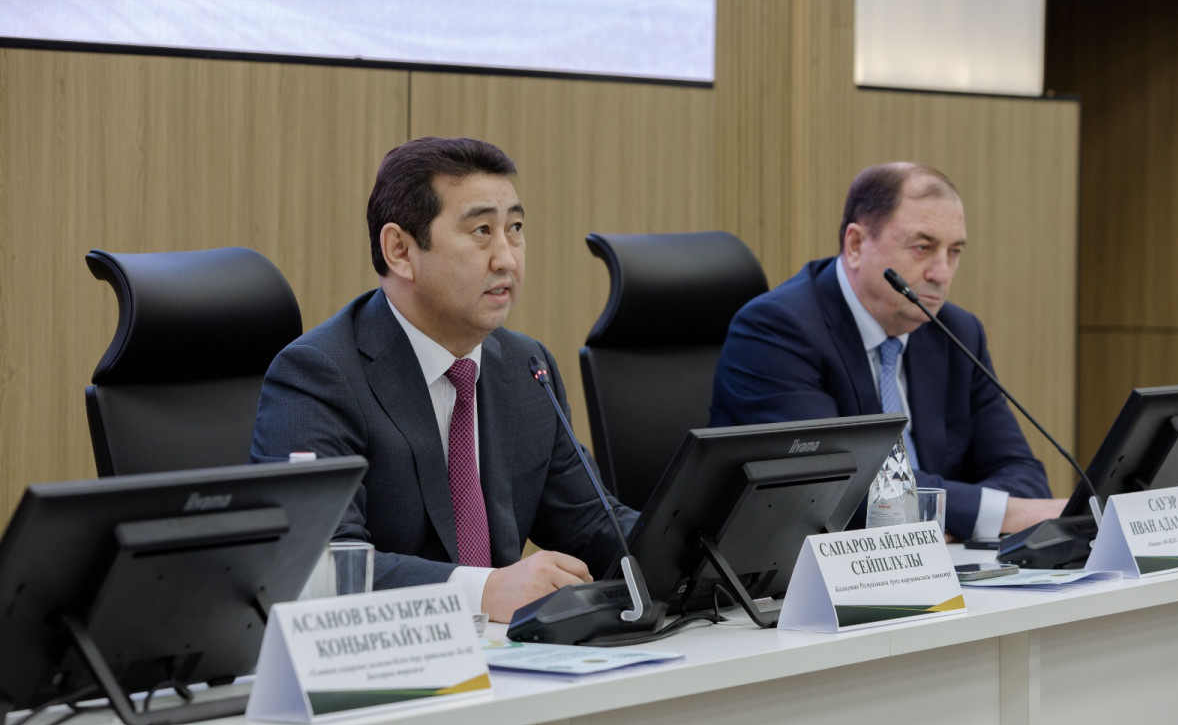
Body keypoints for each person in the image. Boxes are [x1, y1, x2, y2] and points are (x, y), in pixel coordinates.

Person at [252, 136, 635, 622]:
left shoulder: (526, 367)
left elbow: (595, 525)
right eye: (481, 231)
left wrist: (699, 543)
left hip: (508, 655)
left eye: (515, 229)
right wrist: (484, 591)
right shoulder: (319, 375)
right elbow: (322, 563)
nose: (507, 259)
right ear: (400, 250)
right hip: (393, 656)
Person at [709, 162, 1067, 541]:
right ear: (856, 245)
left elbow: (1024, 476)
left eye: (954, 251)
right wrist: (960, 519)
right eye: (923, 248)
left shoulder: (956, 333)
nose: (941, 273)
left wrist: (948, 520)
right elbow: (831, 490)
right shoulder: (778, 329)